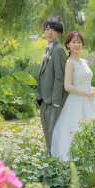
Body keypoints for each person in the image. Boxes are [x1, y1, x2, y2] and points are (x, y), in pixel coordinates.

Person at [50, 31, 95, 161]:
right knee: (77, 130)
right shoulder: (70, 62)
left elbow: (85, 81)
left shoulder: (84, 61)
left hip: (90, 101)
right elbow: (67, 86)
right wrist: (86, 93)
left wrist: (92, 88)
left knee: (93, 129)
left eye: (79, 42)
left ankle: (94, 158)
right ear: (67, 45)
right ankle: (77, 161)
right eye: (73, 42)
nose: (77, 44)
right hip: (77, 101)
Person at [36, 16, 67, 154]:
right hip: (45, 100)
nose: (49, 33)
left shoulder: (59, 50)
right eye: (47, 29)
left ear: (59, 33)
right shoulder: (49, 48)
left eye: (53, 30)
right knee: (48, 140)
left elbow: (59, 78)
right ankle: (51, 169)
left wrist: (55, 103)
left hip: (53, 103)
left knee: (54, 139)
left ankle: (56, 169)